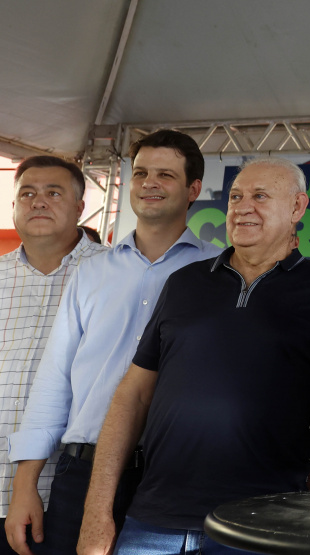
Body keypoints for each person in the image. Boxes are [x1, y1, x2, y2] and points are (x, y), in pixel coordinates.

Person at [76, 157, 310, 553]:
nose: (242, 207)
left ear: (297, 208)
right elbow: (132, 396)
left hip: (261, 527)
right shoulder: (184, 283)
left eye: (260, 196)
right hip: (153, 520)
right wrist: (97, 511)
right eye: (236, 196)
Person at [6, 131, 222, 555]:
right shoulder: (90, 272)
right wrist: (25, 484)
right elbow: (54, 383)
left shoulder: (219, 271)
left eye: (165, 174)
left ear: (193, 189)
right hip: (81, 473)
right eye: (140, 173)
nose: (149, 183)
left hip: (173, 475)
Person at [0, 157, 108, 554]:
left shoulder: (113, 273)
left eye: (53, 193)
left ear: (81, 207)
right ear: (13, 206)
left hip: (63, 489)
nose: (38, 202)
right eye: (27, 193)